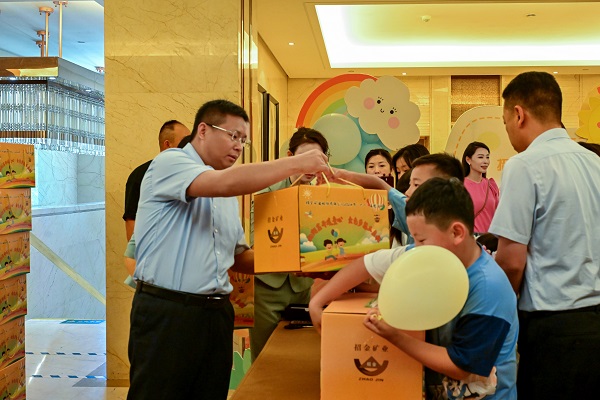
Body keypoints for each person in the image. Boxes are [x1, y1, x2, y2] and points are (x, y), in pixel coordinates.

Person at [128, 99, 331, 400]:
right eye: (233, 136)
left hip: (216, 314)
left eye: (243, 140)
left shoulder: (227, 194)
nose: (238, 146)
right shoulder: (170, 163)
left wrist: (298, 262)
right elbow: (223, 183)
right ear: (203, 130)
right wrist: (298, 163)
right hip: (169, 311)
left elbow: (239, 258)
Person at [489, 71, 600, 399]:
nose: (509, 131)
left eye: (505, 122)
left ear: (519, 114)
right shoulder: (594, 162)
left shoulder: (524, 165)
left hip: (554, 330)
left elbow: (511, 262)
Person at [309, 154, 465, 329]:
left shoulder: (475, 281)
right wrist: (340, 175)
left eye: (416, 184)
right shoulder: (415, 245)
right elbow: (369, 263)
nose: (407, 192)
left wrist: (393, 335)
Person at [249, 127, 328, 362]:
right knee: (264, 359)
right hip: (267, 287)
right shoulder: (268, 190)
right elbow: (256, 242)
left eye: (317, 158)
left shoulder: (324, 193)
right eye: (305, 158)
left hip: (302, 287)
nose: (310, 166)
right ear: (290, 157)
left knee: (298, 355)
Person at [122, 120, 190, 241]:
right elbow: (132, 222)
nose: (189, 146)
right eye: (185, 141)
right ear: (168, 144)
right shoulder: (140, 175)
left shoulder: (190, 175)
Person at [461, 141, 499, 233]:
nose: (485, 161)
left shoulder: (491, 185)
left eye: (487, 157)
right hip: (470, 237)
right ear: (468, 160)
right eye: (480, 157)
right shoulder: (460, 186)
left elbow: (499, 214)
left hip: (491, 238)